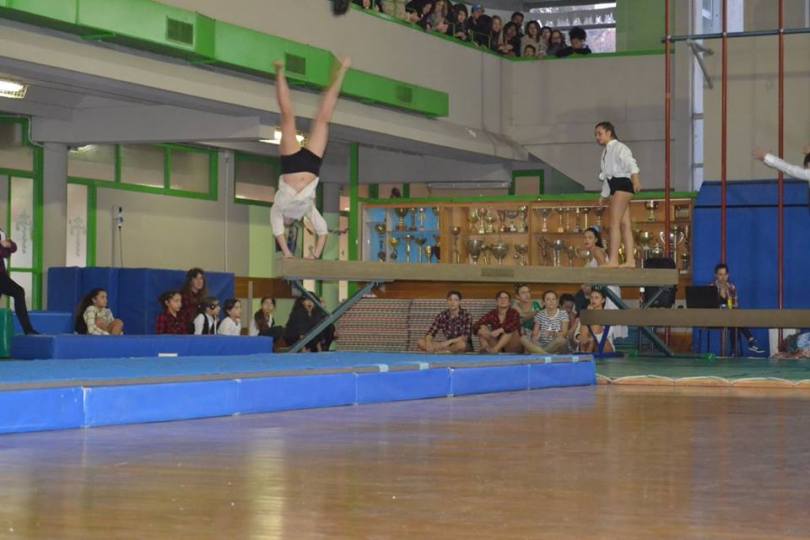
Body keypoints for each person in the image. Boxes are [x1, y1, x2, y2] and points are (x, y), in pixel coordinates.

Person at [270, 56, 350, 259]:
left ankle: (279, 72)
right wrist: (316, 254)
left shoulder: (277, 210)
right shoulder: (306, 211)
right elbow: (323, 232)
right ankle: (342, 71)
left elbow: (278, 232)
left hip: (291, 166)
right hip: (312, 167)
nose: (286, 225)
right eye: (289, 226)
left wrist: (287, 253)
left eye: (285, 226)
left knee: (287, 116)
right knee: (324, 119)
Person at [595, 121, 641, 268]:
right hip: (615, 187)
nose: (597, 137)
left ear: (609, 133)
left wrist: (635, 179)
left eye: (599, 133)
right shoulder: (605, 152)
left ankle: (613, 260)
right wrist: (603, 195)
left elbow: (631, 163)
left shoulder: (620, 147)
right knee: (625, 224)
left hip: (623, 185)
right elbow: (607, 177)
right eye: (596, 134)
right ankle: (630, 260)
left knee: (614, 223)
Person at [583, 226, 628, 339]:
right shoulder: (595, 251)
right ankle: (604, 339)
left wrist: (590, 281)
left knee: (609, 314)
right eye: (585, 237)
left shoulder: (596, 250)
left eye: (590, 237)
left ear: (596, 240)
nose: (586, 240)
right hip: (605, 285)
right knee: (607, 315)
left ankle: (606, 340)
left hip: (607, 286)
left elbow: (603, 268)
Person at [712, 263, 765, 354]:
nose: (723, 277)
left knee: (735, 319)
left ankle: (734, 351)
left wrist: (727, 298)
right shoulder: (711, 287)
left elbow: (735, 305)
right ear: (716, 275)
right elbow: (709, 305)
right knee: (736, 319)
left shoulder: (731, 287)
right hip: (715, 317)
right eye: (720, 274)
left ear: (728, 275)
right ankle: (750, 341)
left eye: (725, 274)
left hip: (730, 317)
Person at [0, 230, 37, 335]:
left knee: (19, 292)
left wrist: (8, 245)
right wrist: (5, 248)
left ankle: (28, 329)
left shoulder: (1, 232)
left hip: (2, 274)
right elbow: (4, 253)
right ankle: (28, 329)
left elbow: (13, 247)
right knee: (18, 291)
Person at [521, 290, 569, 355]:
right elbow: (535, 333)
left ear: (557, 302)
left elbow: (564, 333)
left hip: (556, 345)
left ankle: (540, 353)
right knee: (523, 339)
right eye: (548, 299)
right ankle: (544, 353)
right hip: (542, 344)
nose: (551, 301)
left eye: (553, 299)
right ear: (543, 302)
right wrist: (535, 337)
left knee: (561, 340)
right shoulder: (540, 314)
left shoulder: (563, 313)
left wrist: (552, 333)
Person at [575, 288, 615, 354]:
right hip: (586, 343)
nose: (593, 300)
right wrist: (580, 337)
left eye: (596, 298)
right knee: (585, 320)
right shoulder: (585, 313)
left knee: (593, 322)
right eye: (591, 297)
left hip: (603, 344)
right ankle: (586, 350)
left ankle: (589, 347)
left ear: (603, 300)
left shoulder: (607, 314)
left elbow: (609, 333)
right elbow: (577, 334)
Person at [180, 267, 208, 334]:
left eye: (201, 278)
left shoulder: (204, 297)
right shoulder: (183, 296)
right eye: (196, 278)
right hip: (187, 331)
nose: (199, 281)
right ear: (190, 281)